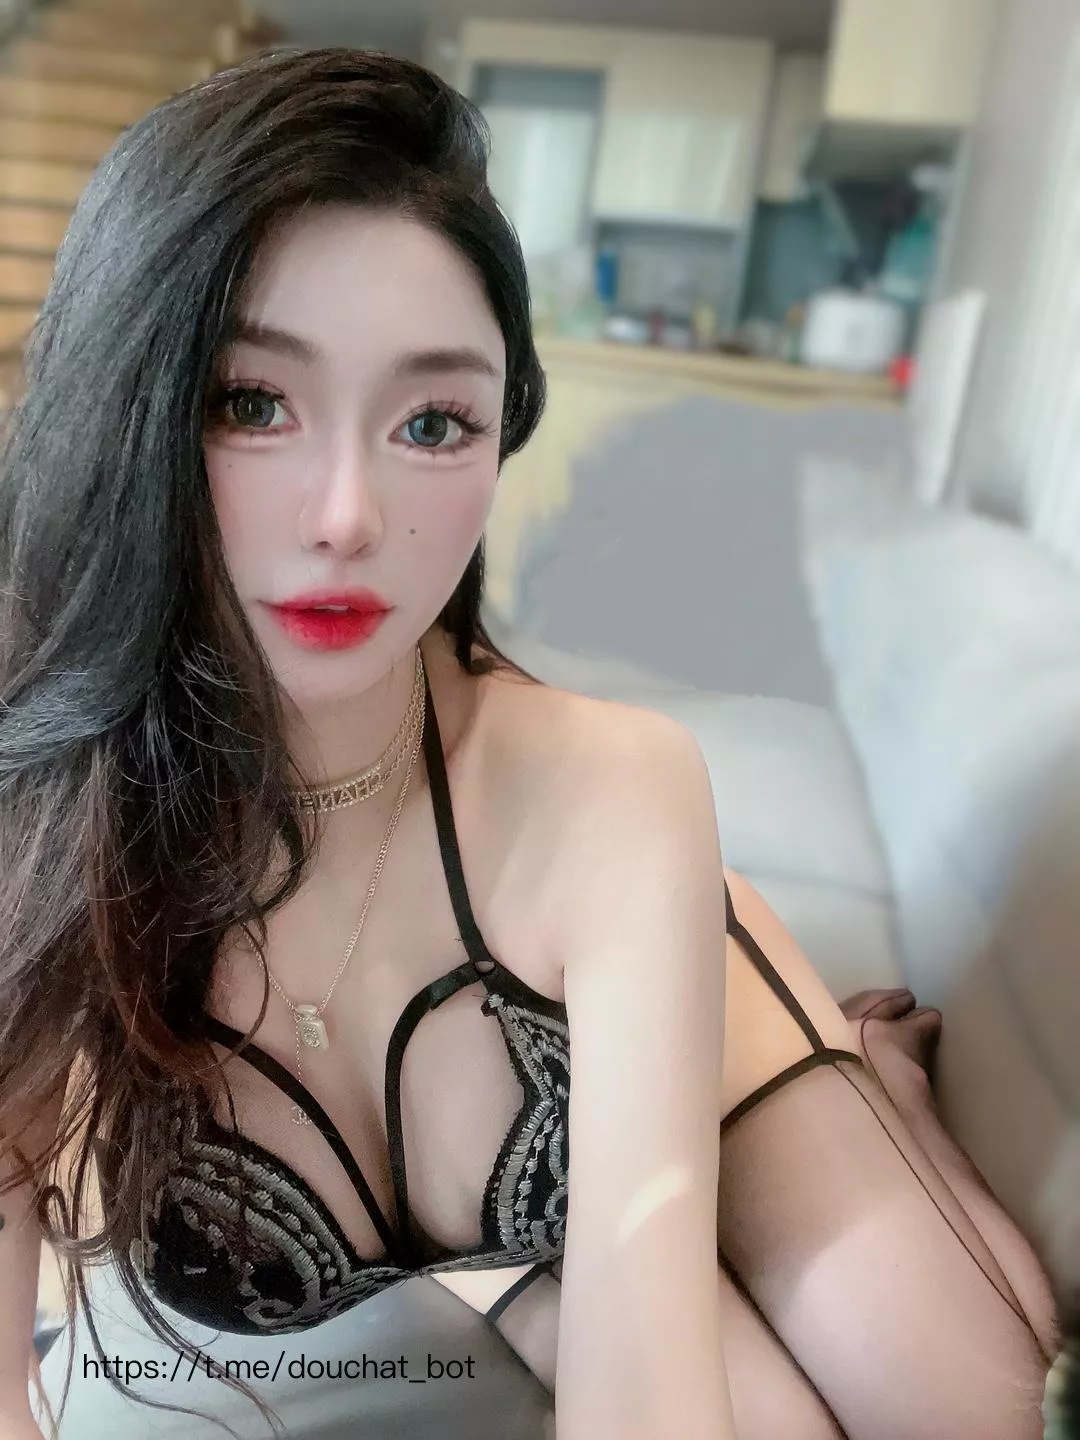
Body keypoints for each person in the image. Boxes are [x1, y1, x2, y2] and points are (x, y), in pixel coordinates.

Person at [0, 46, 1060, 1440]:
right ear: (123, 407)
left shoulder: (609, 794)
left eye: (433, 422)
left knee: (974, 1402)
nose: (347, 517)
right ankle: (527, 1280)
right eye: (251, 403)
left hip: (655, 974)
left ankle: (870, 1071)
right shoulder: (42, 807)